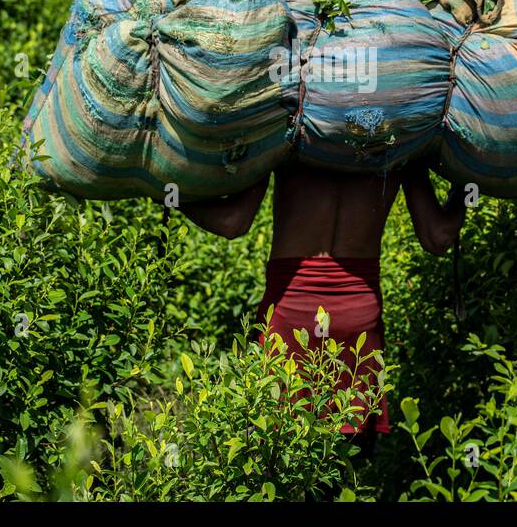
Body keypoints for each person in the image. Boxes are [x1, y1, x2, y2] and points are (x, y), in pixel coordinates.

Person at [177, 159, 467, 455]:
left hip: (288, 319)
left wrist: (174, 198)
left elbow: (232, 222)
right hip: (358, 326)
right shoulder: (400, 140)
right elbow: (438, 236)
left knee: (269, 457)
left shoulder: (288, 131)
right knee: (344, 467)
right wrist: (463, 188)